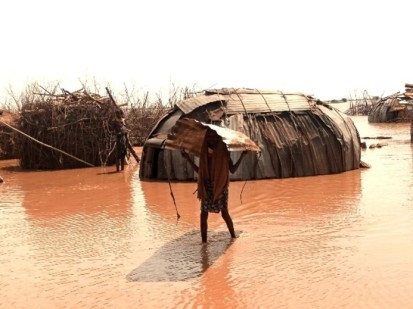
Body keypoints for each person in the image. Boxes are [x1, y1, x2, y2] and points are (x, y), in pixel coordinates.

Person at [181, 128, 247, 243]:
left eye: (214, 136)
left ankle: (233, 237)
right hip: (206, 186)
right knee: (203, 214)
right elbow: (200, 171)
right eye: (209, 136)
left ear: (218, 138)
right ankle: (204, 242)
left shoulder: (223, 152)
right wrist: (187, 158)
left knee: (224, 213)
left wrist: (242, 156)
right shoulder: (203, 153)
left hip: (221, 186)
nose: (211, 139)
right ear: (206, 138)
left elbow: (232, 170)